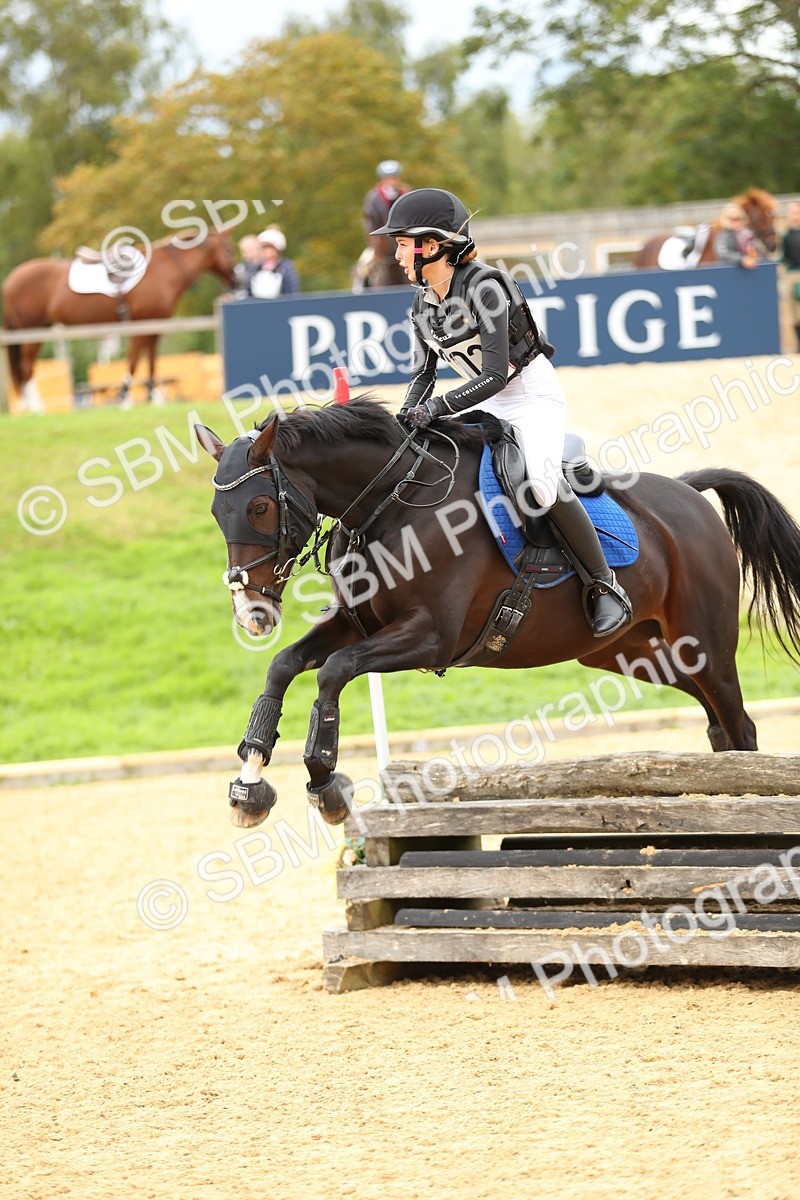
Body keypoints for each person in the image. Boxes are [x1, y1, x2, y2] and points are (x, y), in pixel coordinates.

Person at [374, 187, 632, 638]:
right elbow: (424, 375)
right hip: (482, 399)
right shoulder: (421, 303)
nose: (395, 255)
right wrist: (406, 417)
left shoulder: (487, 287)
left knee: (542, 488)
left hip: (529, 395)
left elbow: (496, 375)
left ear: (431, 246)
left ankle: (604, 586)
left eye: (401, 244)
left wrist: (436, 408)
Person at [362, 160, 410, 287]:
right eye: (387, 178)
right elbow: (370, 221)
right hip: (381, 242)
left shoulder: (406, 193)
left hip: (406, 238)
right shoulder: (373, 197)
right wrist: (375, 243)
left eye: (394, 178)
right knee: (364, 267)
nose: (391, 181)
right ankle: (361, 289)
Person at [249, 227, 300, 297]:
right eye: (262, 248)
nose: (264, 251)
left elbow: (292, 293)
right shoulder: (254, 269)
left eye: (267, 248)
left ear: (277, 250)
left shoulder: (286, 268)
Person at [713, 204, 760, 269]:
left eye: (739, 219)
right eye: (733, 219)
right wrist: (742, 259)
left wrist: (756, 256)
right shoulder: (723, 235)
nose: (737, 222)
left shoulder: (748, 235)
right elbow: (723, 253)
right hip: (728, 271)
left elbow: (758, 251)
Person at [780, 200, 800, 352]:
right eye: (793, 213)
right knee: (793, 314)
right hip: (792, 274)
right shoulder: (786, 236)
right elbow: (782, 257)